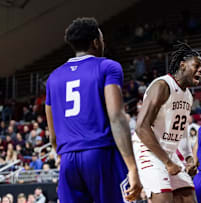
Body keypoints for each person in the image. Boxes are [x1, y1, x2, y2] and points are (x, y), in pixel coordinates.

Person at [45, 17, 141, 203]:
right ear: (96, 42)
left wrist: (64, 157)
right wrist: (132, 167)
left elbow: (53, 136)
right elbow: (116, 117)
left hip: (67, 159)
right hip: (100, 154)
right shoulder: (107, 67)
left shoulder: (53, 77)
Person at [133, 42, 201, 203]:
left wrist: (188, 158)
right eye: (197, 65)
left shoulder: (188, 95)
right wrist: (167, 162)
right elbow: (140, 127)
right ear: (182, 65)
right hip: (149, 150)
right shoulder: (162, 85)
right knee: (164, 198)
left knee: (188, 197)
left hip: (169, 153)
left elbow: (183, 131)